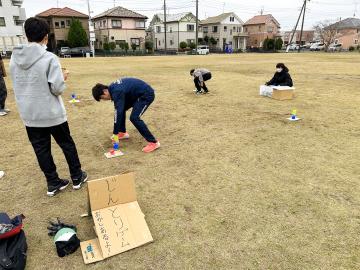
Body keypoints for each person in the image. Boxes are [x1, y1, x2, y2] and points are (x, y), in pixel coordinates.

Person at [9, 17, 87, 197]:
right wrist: (63, 77)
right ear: (45, 36)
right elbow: (56, 88)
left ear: (26, 35)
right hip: (51, 112)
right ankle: (76, 176)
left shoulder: (14, 58)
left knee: (41, 149)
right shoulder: (49, 58)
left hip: (30, 113)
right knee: (66, 144)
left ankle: (53, 182)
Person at [92, 78, 160, 153]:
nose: (104, 100)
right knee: (121, 109)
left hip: (145, 95)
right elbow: (118, 111)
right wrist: (116, 132)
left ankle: (154, 143)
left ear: (105, 91)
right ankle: (122, 132)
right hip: (136, 95)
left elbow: (118, 112)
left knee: (134, 118)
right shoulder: (113, 89)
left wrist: (115, 133)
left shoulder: (116, 91)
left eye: (102, 98)